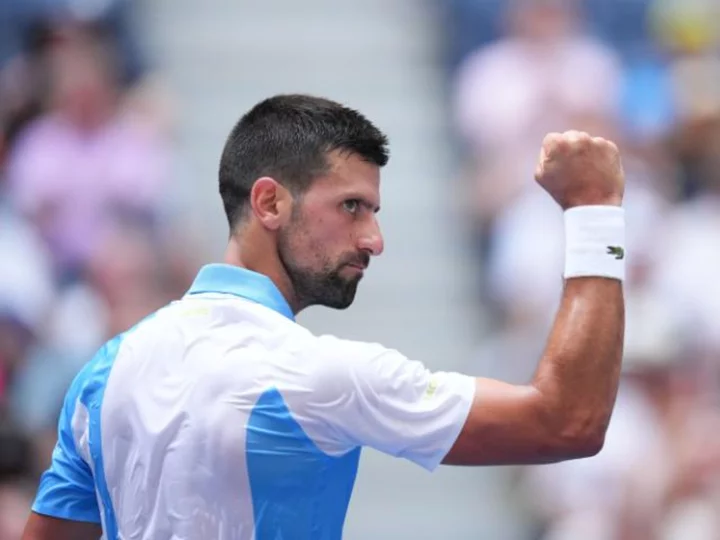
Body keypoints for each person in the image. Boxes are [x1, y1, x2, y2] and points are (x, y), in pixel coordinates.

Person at [21, 94, 626, 540]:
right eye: (352, 207)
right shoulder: (319, 375)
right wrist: (595, 210)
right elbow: (568, 421)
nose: (375, 239)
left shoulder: (103, 373)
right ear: (269, 202)